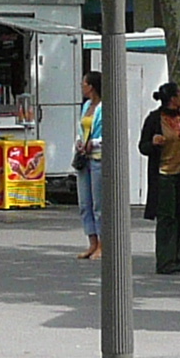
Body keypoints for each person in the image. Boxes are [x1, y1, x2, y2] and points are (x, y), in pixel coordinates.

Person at [138, 81, 180, 275]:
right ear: (172, 99)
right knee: (166, 218)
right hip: (164, 176)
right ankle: (165, 260)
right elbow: (143, 146)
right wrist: (153, 143)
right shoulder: (155, 119)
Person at [73, 70, 105, 262]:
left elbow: (108, 134)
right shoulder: (86, 106)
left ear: (91, 86)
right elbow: (81, 128)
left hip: (98, 157)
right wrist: (79, 142)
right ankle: (91, 241)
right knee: (85, 203)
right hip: (84, 158)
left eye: (84, 83)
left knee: (98, 204)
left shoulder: (104, 107)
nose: (82, 86)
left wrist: (93, 143)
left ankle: (102, 243)